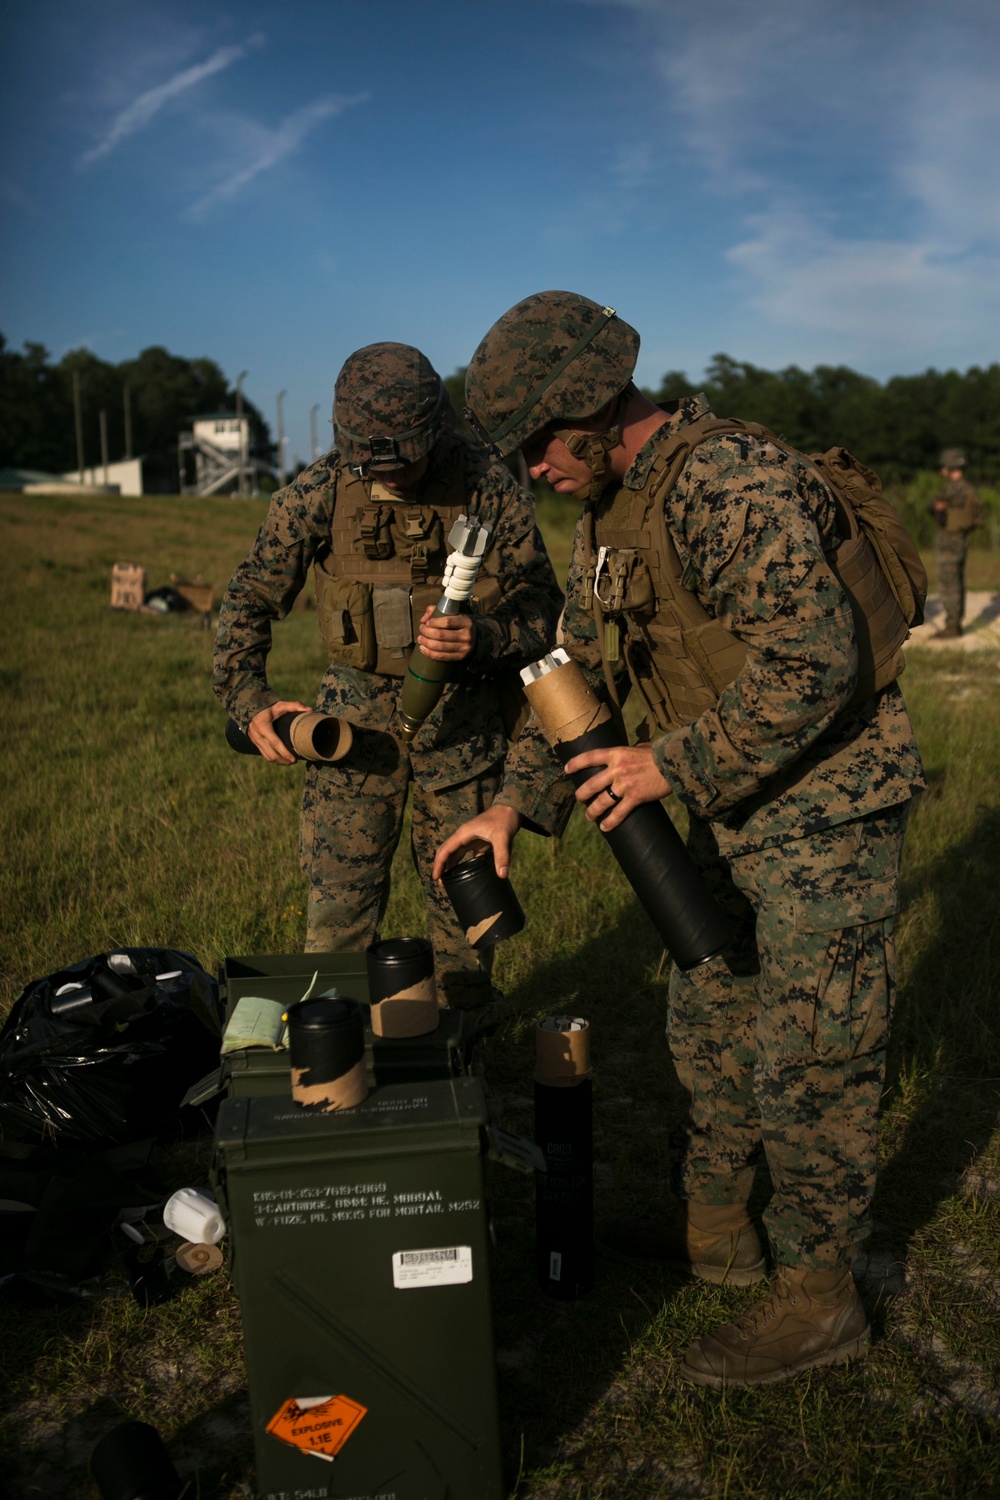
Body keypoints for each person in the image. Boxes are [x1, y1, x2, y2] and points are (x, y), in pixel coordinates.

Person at [433, 292, 926, 1386]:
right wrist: (515, 804)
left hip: (827, 808)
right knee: (705, 1016)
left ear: (588, 415)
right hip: (738, 808)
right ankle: (718, 1237)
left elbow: (816, 662)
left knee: (811, 1058)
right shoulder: (612, 509)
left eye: (532, 452)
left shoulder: (727, 480)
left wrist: (671, 766)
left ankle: (819, 1296)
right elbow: (574, 668)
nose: (527, 475)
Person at [213, 342, 564, 1037]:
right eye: (370, 463)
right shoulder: (318, 493)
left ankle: (463, 1070)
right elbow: (248, 598)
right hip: (353, 737)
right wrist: (248, 700)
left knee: (465, 921)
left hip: (462, 730)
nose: (388, 476)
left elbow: (549, 615)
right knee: (338, 913)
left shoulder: (489, 486)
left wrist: (483, 639)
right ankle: (332, 1058)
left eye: (401, 460)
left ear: (434, 432)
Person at [928, 447, 984, 638]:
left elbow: (931, 505)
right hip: (961, 538)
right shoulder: (970, 489)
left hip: (949, 540)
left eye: (944, 466)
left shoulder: (951, 489)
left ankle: (952, 625)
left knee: (948, 582)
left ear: (950, 467)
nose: (942, 470)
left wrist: (938, 507)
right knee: (958, 580)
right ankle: (956, 621)